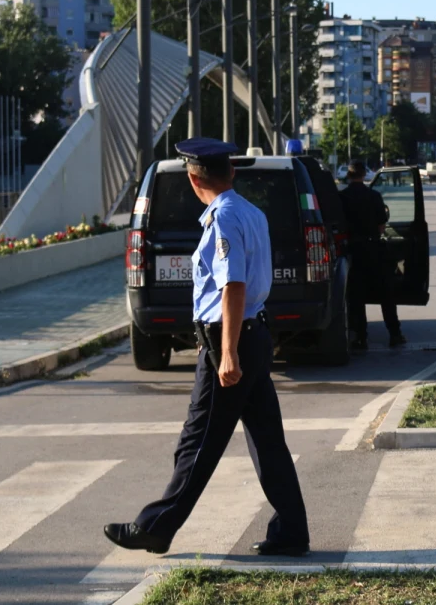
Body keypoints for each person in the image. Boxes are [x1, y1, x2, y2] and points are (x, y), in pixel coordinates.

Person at [103, 137, 310, 557]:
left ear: (194, 180)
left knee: (198, 440)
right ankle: (291, 531)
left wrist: (226, 351)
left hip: (233, 340)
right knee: (267, 442)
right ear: (230, 172)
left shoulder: (224, 218)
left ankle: (156, 527)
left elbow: (233, 286)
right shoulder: (251, 212)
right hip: (252, 334)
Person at [339, 160, 405, 349]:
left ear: (349, 175)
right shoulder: (374, 196)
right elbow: (382, 226)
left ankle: (360, 337)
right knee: (386, 294)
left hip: (353, 251)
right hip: (374, 249)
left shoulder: (342, 197)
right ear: (363, 175)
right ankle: (394, 334)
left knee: (356, 297)